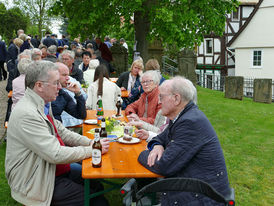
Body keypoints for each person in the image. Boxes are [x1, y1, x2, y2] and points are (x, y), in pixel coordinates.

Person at [5, 60, 110, 206]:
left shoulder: (42, 103)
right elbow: (55, 154)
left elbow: (62, 132)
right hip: (35, 180)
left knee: (95, 183)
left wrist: (91, 142)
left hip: (49, 168)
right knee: (96, 200)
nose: (60, 87)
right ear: (39, 85)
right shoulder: (27, 113)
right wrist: (93, 149)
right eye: (55, 83)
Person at [138, 76, 231, 205]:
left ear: (176, 99)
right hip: (192, 190)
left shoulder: (190, 122)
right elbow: (160, 138)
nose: (160, 102)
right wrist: (157, 146)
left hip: (203, 198)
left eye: (162, 97)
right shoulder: (181, 117)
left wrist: (141, 153)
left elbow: (164, 166)